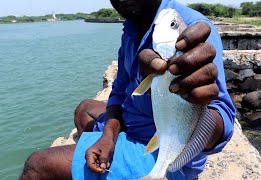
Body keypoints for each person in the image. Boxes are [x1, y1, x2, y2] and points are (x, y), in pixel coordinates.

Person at [20, 0, 236, 179]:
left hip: (169, 153)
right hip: (135, 125)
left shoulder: (190, 28)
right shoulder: (133, 23)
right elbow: (119, 90)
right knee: (84, 109)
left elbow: (223, 119)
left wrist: (196, 102)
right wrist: (108, 137)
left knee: (37, 164)